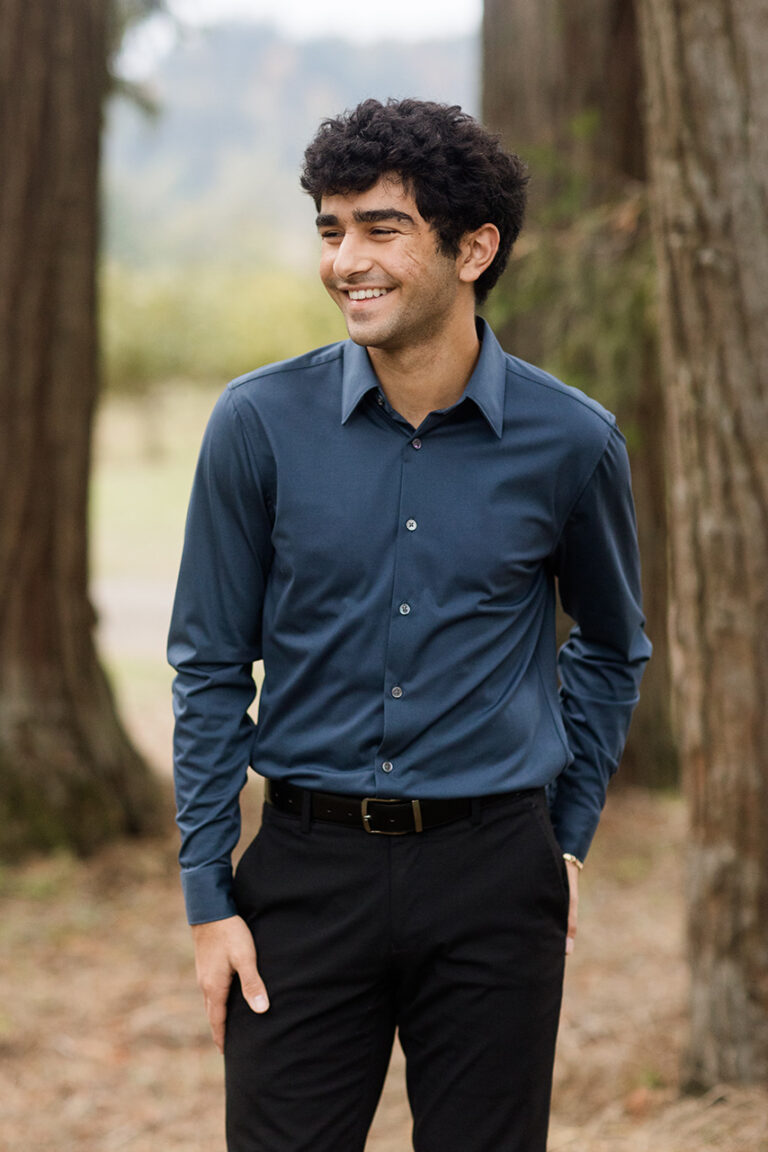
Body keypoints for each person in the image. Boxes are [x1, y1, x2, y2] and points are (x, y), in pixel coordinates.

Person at [168, 97, 651, 1152]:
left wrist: (564, 840)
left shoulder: (572, 441)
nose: (346, 261)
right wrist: (209, 896)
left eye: (381, 228)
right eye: (331, 230)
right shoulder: (258, 424)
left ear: (474, 248)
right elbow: (209, 666)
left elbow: (613, 645)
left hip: (495, 879)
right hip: (304, 876)